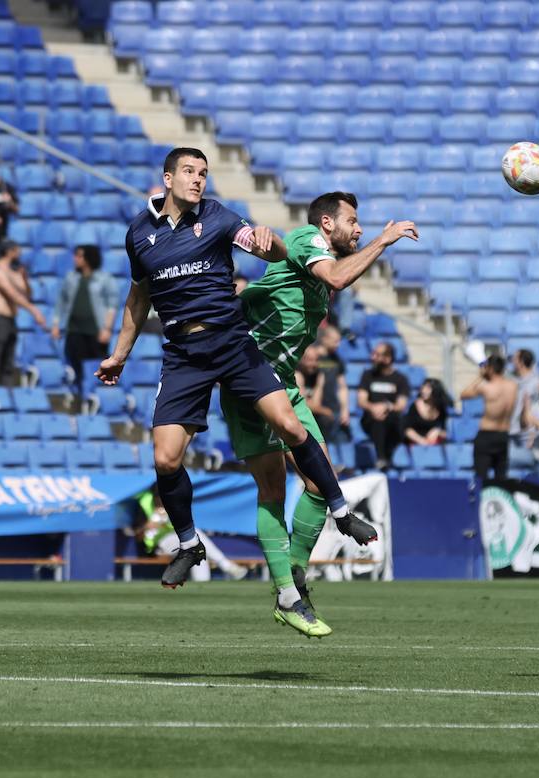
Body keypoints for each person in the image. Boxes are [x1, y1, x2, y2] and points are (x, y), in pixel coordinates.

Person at [95, 151, 380, 638]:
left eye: (204, 173)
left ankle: (341, 512)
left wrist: (268, 245)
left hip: (230, 343)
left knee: (291, 426)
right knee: (165, 459)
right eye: (190, 171)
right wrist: (119, 354)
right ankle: (189, 545)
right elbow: (139, 297)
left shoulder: (219, 217)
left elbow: (261, 245)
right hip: (183, 354)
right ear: (167, 178)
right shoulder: (139, 234)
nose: (199, 180)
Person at [219, 191, 419, 624]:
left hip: (284, 386)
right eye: (352, 220)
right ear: (327, 224)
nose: (359, 228)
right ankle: (288, 595)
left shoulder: (320, 264)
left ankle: (292, 573)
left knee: (319, 478)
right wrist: (384, 241)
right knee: (272, 489)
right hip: (248, 378)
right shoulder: (308, 237)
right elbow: (336, 278)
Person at [130, 488, 250, 582]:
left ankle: (202, 587)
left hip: (178, 540)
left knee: (197, 550)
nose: (163, 501)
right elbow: (137, 536)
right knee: (194, 538)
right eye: (160, 498)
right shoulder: (145, 502)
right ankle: (226, 565)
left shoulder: (175, 501)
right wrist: (147, 527)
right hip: (157, 546)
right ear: (155, 496)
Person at [52, 244, 117, 409]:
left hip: (95, 331)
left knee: (97, 368)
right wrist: (56, 324)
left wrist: (107, 328)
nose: (76, 259)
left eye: (80, 256)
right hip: (74, 330)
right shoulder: (71, 278)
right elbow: (61, 302)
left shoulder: (104, 279)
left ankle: (98, 400)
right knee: (75, 366)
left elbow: (111, 305)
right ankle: (78, 398)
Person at [0, 241, 48, 387]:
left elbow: (27, 294)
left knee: (9, 360)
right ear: (10, 251)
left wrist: (24, 279)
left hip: (11, 319)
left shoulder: (14, 272)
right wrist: (34, 311)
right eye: (17, 250)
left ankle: (8, 393)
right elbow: (11, 293)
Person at [460, 355, 519, 481]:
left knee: (481, 477)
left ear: (490, 368)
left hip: (487, 435)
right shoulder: (513, 386)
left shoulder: (486, 386)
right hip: (503, 435)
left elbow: (464, 394)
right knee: (501, 477)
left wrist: (481, 376)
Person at [357, 342, 410, 470]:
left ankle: (388, 457)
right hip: (370, 419)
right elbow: (361, 401)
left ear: (388, 358)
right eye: (373, 353)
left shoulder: (400, 379)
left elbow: (401, 405)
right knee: (378, 420)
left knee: (394, 420)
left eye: (377, 354)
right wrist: (373, 408)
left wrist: (386, 407)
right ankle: (382, 459)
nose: (373, 357)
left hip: (392, 419)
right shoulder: (368, 375)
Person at [314, 325, 350, 444]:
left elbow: (342, 387)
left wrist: (345, 410)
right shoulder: (312, 357)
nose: (338, 345)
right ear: (324, 339)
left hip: (332, 409)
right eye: (335, 341)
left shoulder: (337, 359)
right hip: (314, 408)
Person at [404, 378, 450, 446]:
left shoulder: (441, 408)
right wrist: (421, 440)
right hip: (416, 443)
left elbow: (446, 433)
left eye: (428, 388)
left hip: (434, 443)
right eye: (423, 388)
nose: (423, 391)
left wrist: (438, 431)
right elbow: (407, 430)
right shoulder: (414, 406)